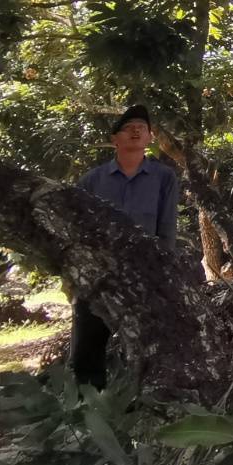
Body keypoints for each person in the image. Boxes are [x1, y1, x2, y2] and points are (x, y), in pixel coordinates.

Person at [71, 104, 180, 387]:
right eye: (127, 128)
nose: (135, 131)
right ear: (114, 140)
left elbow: (166, 229)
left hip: (144, 275)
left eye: (141, 128)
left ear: (150, 138)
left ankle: (138, 401)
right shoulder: (91, 181)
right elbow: (76, 229)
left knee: (148, 343)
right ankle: (87, 405)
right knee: (88, 344)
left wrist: (162, 274)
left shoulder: (164, 178)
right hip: (97, 274)